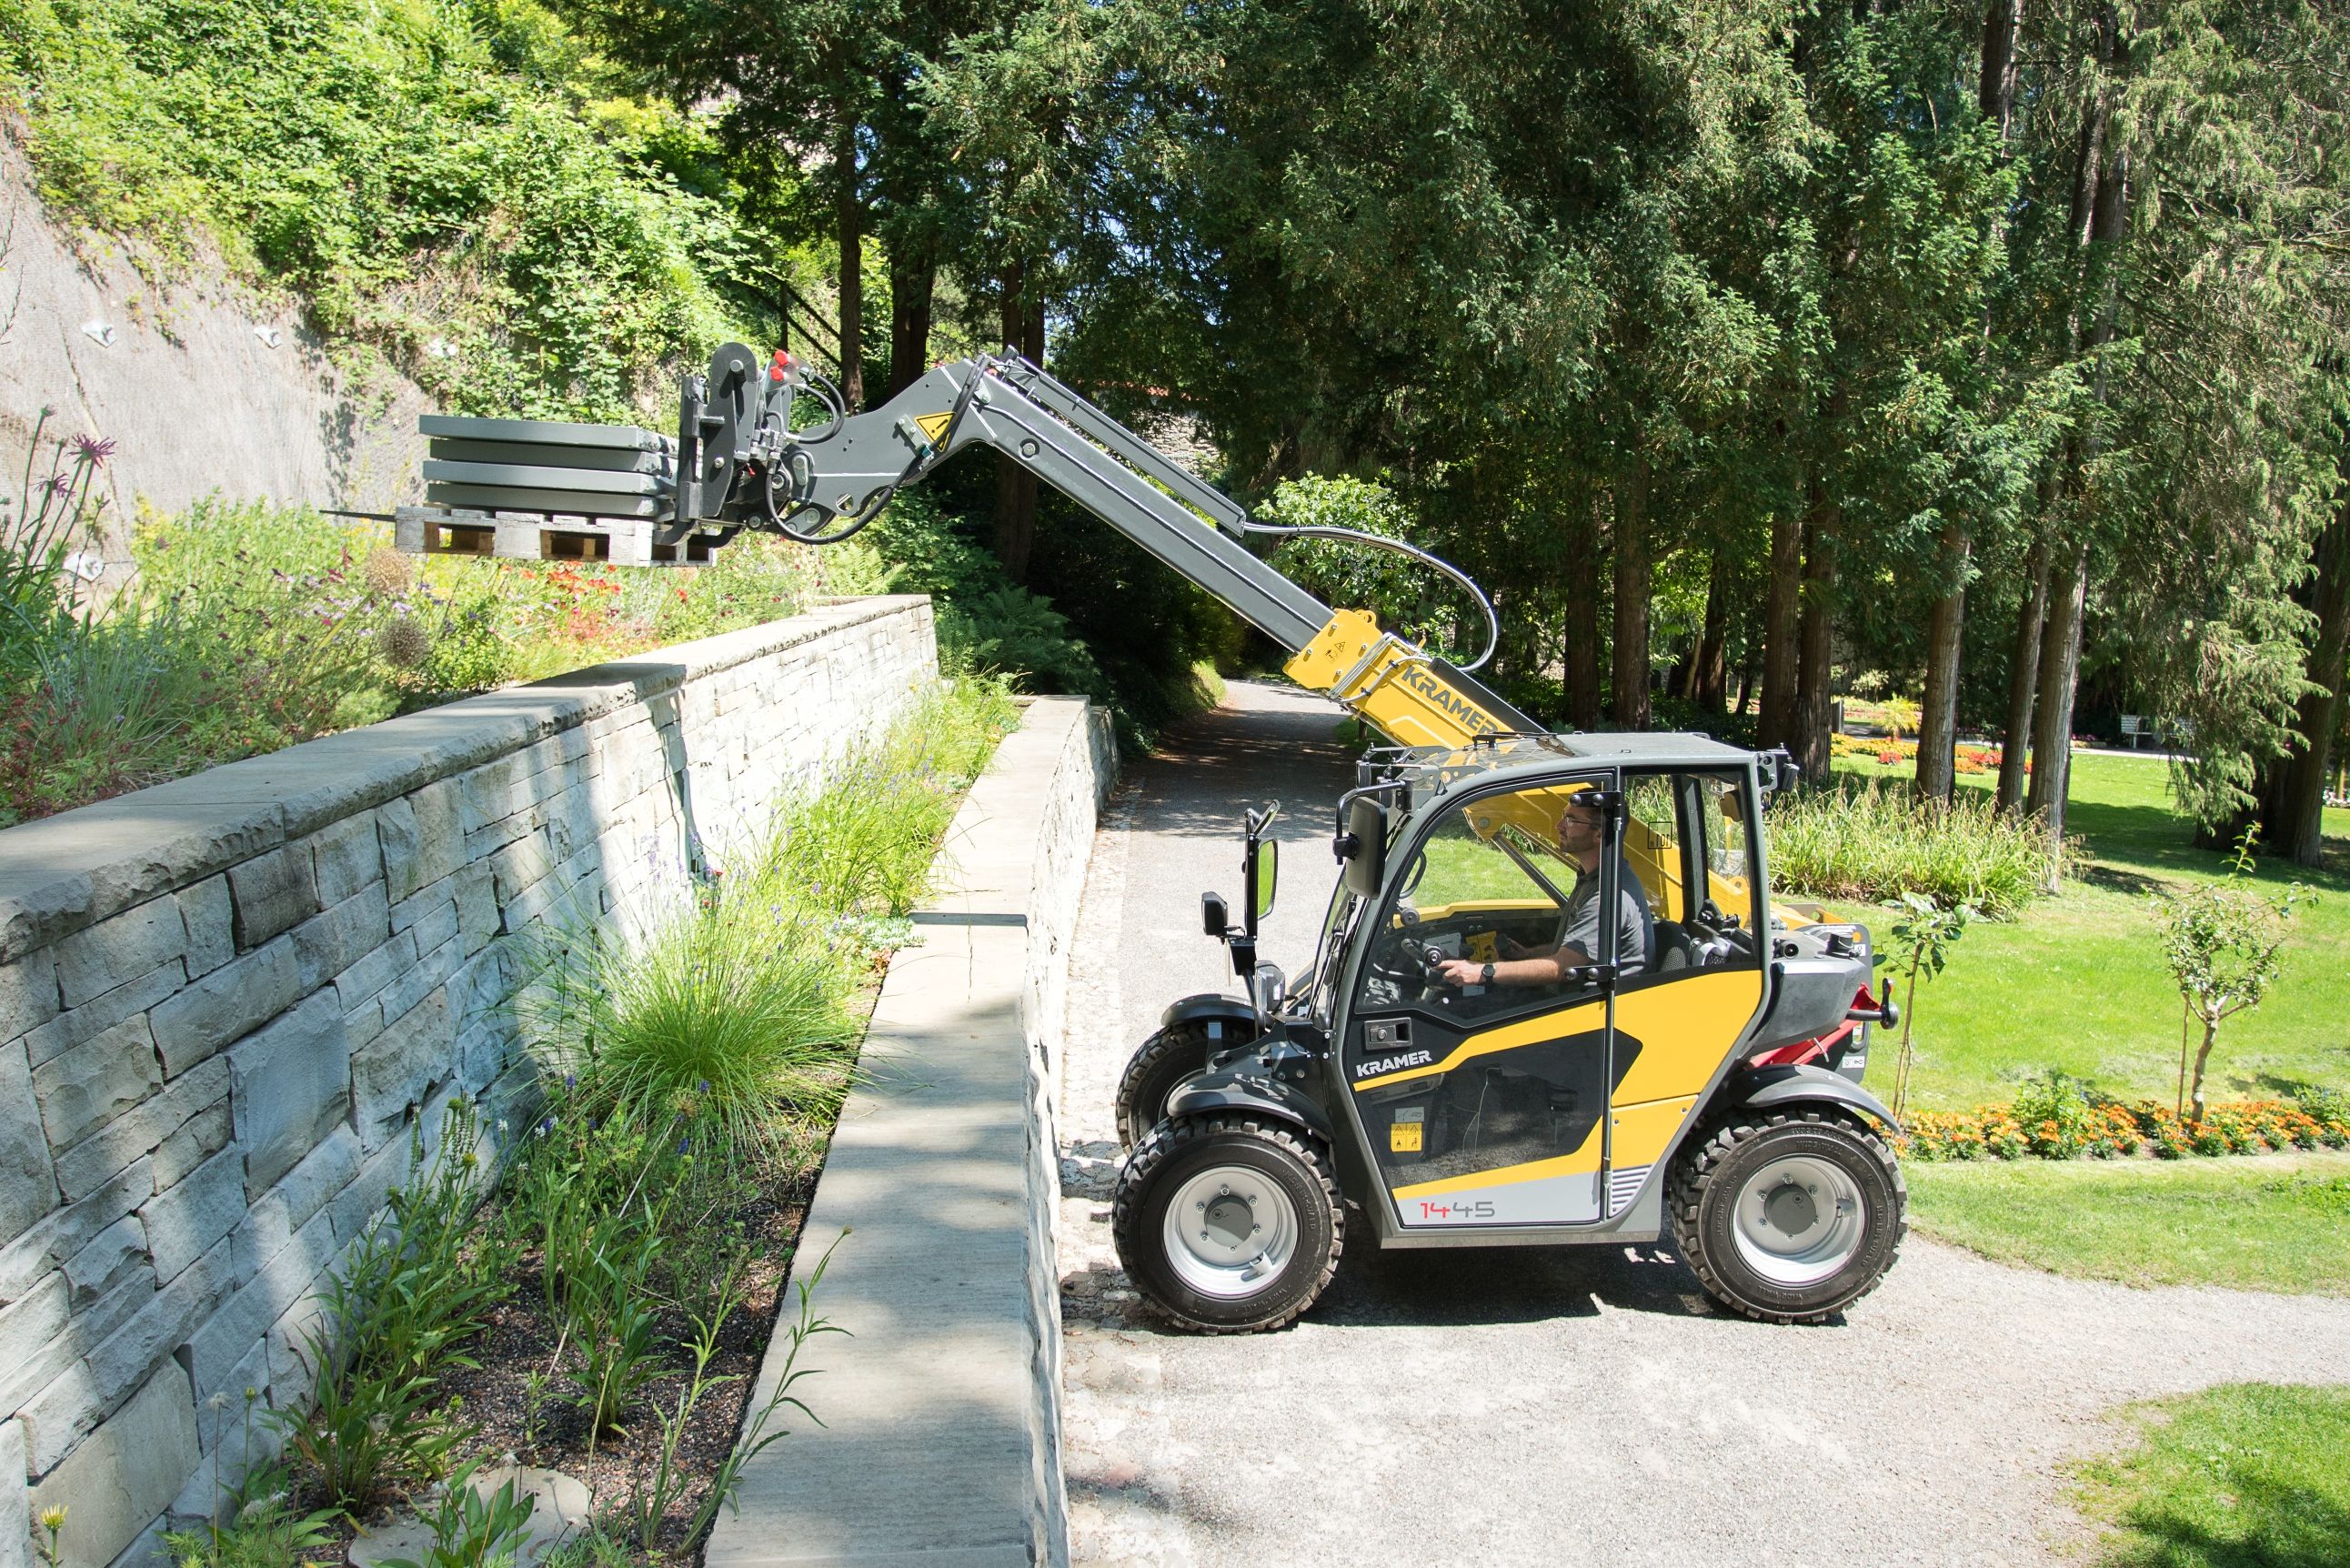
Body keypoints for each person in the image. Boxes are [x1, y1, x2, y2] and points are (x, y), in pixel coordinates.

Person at [1433, 792, 1651, 990]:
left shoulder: (1607, 897)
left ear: (1599, 834)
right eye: (1564, 816)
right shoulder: (1594, 878)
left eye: (1571, 820)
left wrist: (1482, 971)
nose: (1559, 826)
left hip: (1586, 1014)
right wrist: (1529, 954)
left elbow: (1563, 967)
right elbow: (1576, 951)